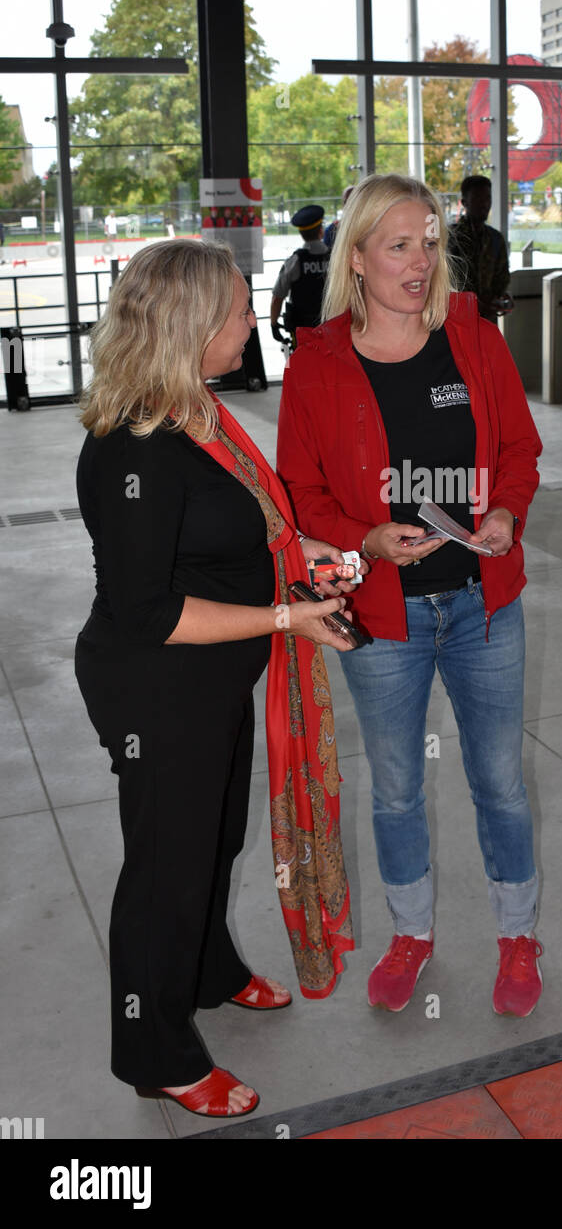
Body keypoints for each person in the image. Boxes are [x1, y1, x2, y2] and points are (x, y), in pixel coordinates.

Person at [75, 238, 360, 1119]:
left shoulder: (195, 413)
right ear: (192, 325)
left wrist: (306, 556)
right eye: (239, 309)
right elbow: (151, 613)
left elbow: (241, 532)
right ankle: (154, 1051)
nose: (251, 322)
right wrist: (287, 618)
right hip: (156, 690)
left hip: (212, 678)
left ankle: (209, 971)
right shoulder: (133, 452)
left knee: (215, 843)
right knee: (166, 870)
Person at [277, 173, 545, 1018]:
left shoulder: (472, 335)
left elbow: (520, 450)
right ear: (355, 258)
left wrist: (504, 509)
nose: (422, 260)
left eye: (429, 241)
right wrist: (363, 539)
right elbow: (299, 491)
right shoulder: (317, 362)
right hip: (384, 619)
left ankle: (516, 936)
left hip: (481, 604)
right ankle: (411, 935)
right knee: (393, 788)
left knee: (499, 782)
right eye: (399, 245)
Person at [447, 174, 512, 321]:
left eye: (487, 198)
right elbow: (447, 281)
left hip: (487, 319)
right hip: (457, 320)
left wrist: (500, 298)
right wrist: (473, 304)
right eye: (477, 198)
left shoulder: (495, 238)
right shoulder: (451, 238)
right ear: (465, 202)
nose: (484, 204)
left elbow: (502, 278)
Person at [270, 204, 330, 350]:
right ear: (321, 231)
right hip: (332, 327)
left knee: (305, 367)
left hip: (303, 331)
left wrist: (274, 324)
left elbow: (277, 297)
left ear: (302, 233)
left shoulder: (295, 261)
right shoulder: (336, 258)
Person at [324, 186, 354, 250]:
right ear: (343, 204)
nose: (350, 204)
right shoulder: (331, 230)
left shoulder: (370, 229)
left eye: (353, 200)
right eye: (346, 201)